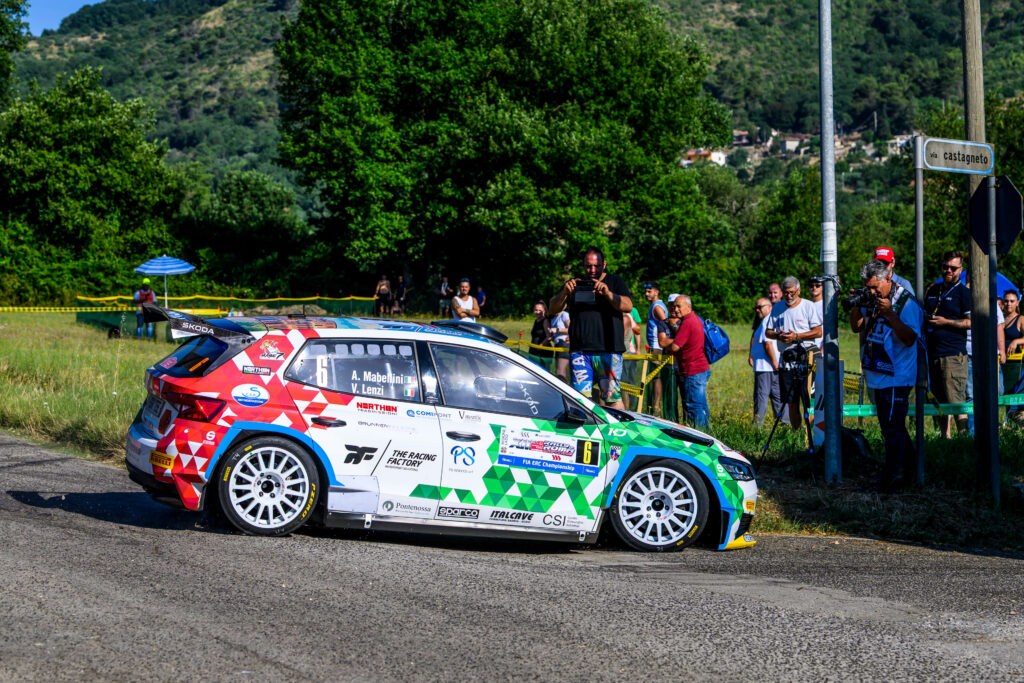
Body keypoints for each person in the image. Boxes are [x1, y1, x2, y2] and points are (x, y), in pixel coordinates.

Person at [857, 259, 923, 490]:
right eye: (868, 288)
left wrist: (890, 314)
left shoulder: (906, 302)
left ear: (888, 278)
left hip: (898, 375)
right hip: (878, 372)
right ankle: (910, 472)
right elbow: (856, 326)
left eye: (875, 287)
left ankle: (890, 479)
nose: (872, 293)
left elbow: (910, 338)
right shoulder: (874, 299)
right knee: (890, 428)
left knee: (893, 428)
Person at [549, 247, 633, 408]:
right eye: (588, 266)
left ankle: (618, 425)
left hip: (609, 351)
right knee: (581, 402)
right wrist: (564, 293)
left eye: (597, 266)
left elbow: (628, 306)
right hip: (580, 352)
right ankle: (587, 425)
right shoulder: (574, 284)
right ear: (583, 265)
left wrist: (608, 294)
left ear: (604, 264)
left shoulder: (615, 281)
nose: (592, 270)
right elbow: (552, 309)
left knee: (612, 399)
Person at [922, 250, 971, 438]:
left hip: (953, 354)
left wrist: (947, 322)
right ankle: (945, 437)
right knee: (939, 400)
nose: (948, 271)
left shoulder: (964, 293)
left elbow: (971, 322)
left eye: (953, 268)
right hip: (933, 353)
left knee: (956, 400)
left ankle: (963, 437)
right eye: (945, 267)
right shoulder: (933, 290)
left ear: (961, 270)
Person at [765, 276, 822, 429]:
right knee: (791, 401)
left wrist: (797, 336)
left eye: (792, 292)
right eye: (786, 293)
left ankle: (809, 435)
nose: (789, 296)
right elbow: (768, 332)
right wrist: (778, 336)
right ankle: (795, 434)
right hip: (787, 359)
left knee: (809, 400)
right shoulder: (777, 307)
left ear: (799, 290)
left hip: (807, 358)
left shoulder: (808, 306)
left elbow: (818, 331)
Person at [657, 295, 709, 427]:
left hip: (692, 370)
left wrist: (666, 345)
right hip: (700, 368)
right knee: (701, 405)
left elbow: (675, 346)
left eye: (679, 306)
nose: (676, 309)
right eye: (674, 306)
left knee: (694, 406)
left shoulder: (687, 322)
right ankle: (707, 431)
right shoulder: (696, 319)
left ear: (688, 307)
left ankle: (699, 434)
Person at [964, 273, 1005, 436]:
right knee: (970, 393)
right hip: (968, 352)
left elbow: (999, 326)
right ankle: (973, 432)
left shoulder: (990, 299)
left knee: (998, 390)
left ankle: (991, 426)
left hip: (990, 353)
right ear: (967, 279)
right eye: (970, 279)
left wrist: (1002, 350)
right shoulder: (962, 295)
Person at [749, 297, 784, 425]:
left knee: (761, 398)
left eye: (760, 307)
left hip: (765, 366)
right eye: (756, 308)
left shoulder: (766, 321)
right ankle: (783, 425)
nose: (757, 310)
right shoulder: (771, 319)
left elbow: (767, 344)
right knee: (777, 398)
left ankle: (757, 427)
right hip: (772, 366)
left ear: (769, 307)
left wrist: (774, 362)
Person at [643, 283, 669, 414]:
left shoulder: (657, 307)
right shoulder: (656, 305)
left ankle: (656, 407)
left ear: (656, 292)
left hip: (657, 347)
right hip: (655, 346)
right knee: (654, 377)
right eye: (645, 291)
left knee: (656, 377)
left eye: (649, 291)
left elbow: (666, 324)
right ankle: (654, 405)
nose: (646, 294)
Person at [549, 308, 570, 382]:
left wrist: (557, 330)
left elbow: (570, 329)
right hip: (557, 345)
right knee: (558, 371)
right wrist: (552, 337)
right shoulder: (553, 319)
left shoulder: (564, 314)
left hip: (564, 344)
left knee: (560, 372)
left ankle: (564, 389)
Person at [1004, 290, 1024, 357]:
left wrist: (1016, 341)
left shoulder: (1021, 319)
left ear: (1017, 303)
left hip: (1014, 359)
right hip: (997, 358)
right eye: (1006, 301)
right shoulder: (998, 318)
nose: (1009, 304)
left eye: (1012, 301)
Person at [808, 276, 824, 350]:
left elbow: (829, 331)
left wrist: (822, 351)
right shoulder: (806, 305)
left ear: (822, 287)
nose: (814, 288)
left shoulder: (825, 306)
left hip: (820, 349)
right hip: (807, 348)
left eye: (817, 285)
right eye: (811, 286)